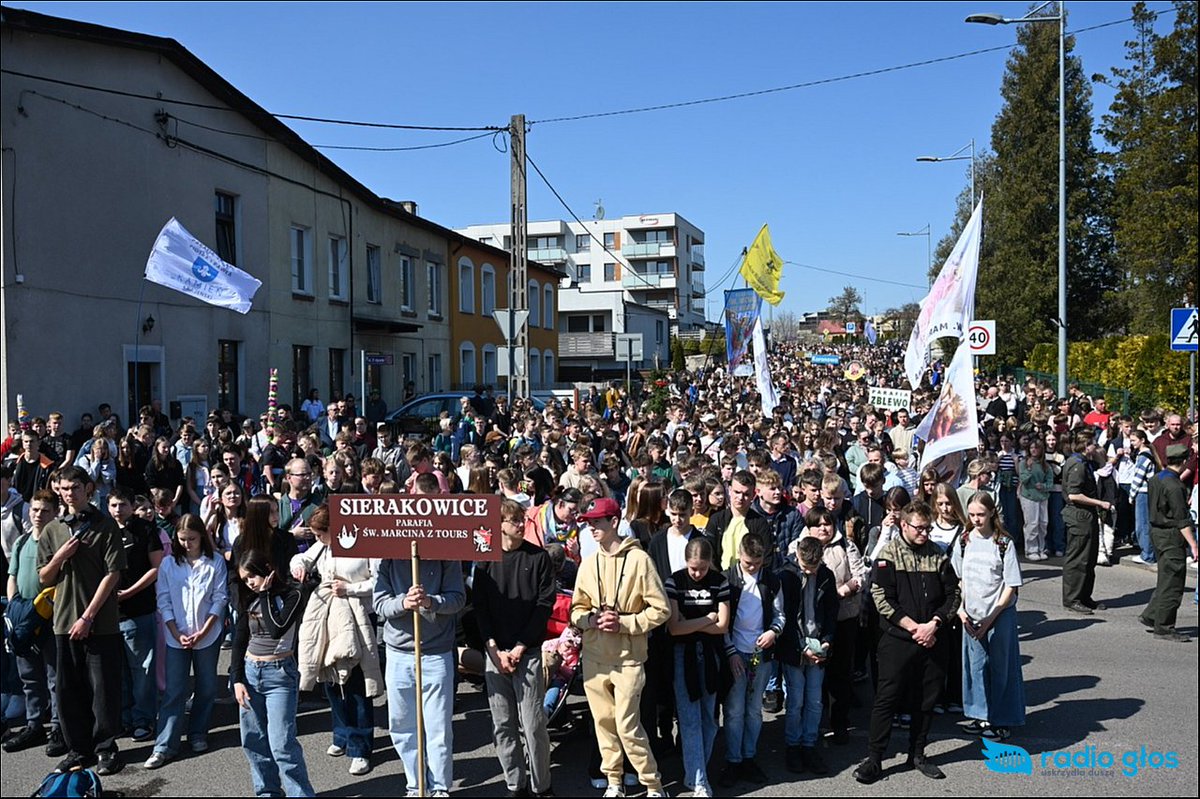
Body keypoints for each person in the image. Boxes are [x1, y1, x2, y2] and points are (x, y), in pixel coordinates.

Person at [570, 497, 670, 798]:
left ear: (614, 523)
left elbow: (661, 610)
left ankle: (653, 784)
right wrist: (589, 619)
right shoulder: (588, 564)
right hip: (594, 658)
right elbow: (575, 610)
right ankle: (614, 781)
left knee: (628, 726)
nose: (592, 528)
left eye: (597, 522)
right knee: (603, 725)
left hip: (628, 658)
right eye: (589, 523)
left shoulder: (640, 560)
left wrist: (625, 623)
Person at [854, 501, 960, 785]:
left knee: (926, 699)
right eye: (919, 528)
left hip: (933, 638)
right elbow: (882, 599)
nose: (925, 533)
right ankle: (875, 759)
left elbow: (953, 594)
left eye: (928, 528)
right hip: (898, 639)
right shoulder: (888, 555)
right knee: (887, 699)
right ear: (904, 526)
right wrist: (915, 628)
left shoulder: (938, 555)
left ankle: (917, 753)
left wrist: (933, 624)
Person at [36, 466, 127, 775]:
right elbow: (44, 576)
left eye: (75, 487)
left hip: (99, 622)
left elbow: (112, 574)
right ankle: (79, 749)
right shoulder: (52, 529)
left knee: (103, 689)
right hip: (63, 621)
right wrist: (60, 555)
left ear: (88, 488)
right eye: (64, 488)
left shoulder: (105, 525)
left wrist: (88, 616)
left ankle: (105, 748)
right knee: (68, 689)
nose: (69, 493)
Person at [474, 499, 556, 798]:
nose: (520, 524)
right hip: (495, 653)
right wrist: (494, 649)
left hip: (529, 652)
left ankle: (542, 785)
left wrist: (520, 647)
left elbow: (543, 605)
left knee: (533, 724)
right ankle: (515, 783)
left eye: (522, 519)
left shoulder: (538, 558)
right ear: (499, 526)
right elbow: (480, 609)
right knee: (503, 724)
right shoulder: (485, 561)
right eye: (513, 520)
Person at [290, 506, 381, 776]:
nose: (317, 539)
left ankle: (360, 746)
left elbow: (379, 581)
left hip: (359, 615)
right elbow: (300, 558)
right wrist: (298, 567)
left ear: (334, 529)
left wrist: (350, 588)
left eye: (320, 534)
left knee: (354, 683)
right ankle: (341, 733)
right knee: (330, 676)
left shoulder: (366, 544)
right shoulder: (322, 547)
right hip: (329, 614)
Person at [374, 533, 466, 797]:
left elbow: (458, 599)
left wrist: (430, 602)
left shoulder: (446, 555)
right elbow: (379, 603)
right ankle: (416, 786)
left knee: (438, 728)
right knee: (402, 726)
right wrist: (403, 602)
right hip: (399, 653)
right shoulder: (387, 558)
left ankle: (438, 788)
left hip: (436, 653)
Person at [144, 514, 228, 768]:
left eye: (192, 538)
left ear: (202, 535)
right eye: (182, 539)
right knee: (174, 690)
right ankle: (165, 745)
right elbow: (164, 599)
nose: (187, 543)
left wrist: (204, 630)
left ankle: (198, 732)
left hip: (207, 634)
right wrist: (174, 629)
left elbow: (220, 598)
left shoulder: (215, 562)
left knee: (207, 685)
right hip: (175, 635)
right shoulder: (169, 564)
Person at [230, 549, 315, 797]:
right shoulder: (250, 597)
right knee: (254, 740)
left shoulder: (293, 593)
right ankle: (267, 791)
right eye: (245, 580)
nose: (250, 584)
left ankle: (300, 794)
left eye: (252, 578)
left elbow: (277, 628)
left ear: (267, 569)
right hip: (250, 671)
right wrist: (236, 679)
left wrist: (266, 593)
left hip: (280, 673)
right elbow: (240, 639)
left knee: (282, 744)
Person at [952, 493, 1024, 741]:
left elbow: (1011, 586)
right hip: (970, 615)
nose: (976, 519)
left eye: (980, 514)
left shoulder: (1004, 543)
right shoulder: (963, 540)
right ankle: (980, 715)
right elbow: (957, 580)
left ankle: (1002, 719)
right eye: (972, 515)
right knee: (974, 668)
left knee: (1001, 668)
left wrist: (991, 618)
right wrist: (961, 612)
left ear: (992, 513)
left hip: (999, 615)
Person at [3, 488, 67, 757]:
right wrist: (16, 606)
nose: (39, 515)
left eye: (45, 511)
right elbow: (12, 575)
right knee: (29, 677)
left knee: (54, 676)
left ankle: (57, 727)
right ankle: (34, 724)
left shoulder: (58, 543)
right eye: (35, 509)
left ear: (55, 514)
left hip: (51, 620)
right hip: (25, 619)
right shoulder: (21, 542)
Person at [717, 531, 782, 789]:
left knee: (754, 710)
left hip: (760, 655)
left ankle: (748, 757)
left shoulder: (771, 581)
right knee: (733, 710)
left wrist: (772, 632)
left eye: (757, 563)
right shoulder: (727, 580)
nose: (752, 568)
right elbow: (720, 623)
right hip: (736, 652)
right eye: (747, 563)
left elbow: (780, 615)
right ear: (739, 557)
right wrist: (730, 651)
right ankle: (733, 760)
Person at [798, 506, 866, 746]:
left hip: (843, 617)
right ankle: (815, 725)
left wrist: (845, 590)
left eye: (828, 523)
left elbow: (861, 574)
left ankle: (840, 723)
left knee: (840, 674)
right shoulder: (799, 546)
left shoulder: (846, 545)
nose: (824, 528)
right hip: (811, 624)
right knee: (815, 675)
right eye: (818, 524)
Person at [109, 486, 163, 743]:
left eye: (122, 505)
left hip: (139, 610)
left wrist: (129, 591)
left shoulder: (145, 530)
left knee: (142, 670)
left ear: (132, 506)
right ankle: (124, 719)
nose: (118, 510)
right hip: (109, 614)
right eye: (113, 505)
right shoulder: (104, 531)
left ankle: (143, 719)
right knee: (118, 672)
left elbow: (157, 568)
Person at [1139, 445, 1198, 642]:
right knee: (1173, 582)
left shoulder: (1158, 478)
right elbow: (1182, 519)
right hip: (1171, 535)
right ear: (1183, 461)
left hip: (1157, 532)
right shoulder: (1175, 486)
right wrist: (1194, 545)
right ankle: (1164, 627)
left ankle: (1152, 615)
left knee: (1165, 577)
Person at [1061, 429, 1111, 615]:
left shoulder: (1085, 462)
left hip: (1087, 517)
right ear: (1086, 446)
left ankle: (1084, 596)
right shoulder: (1077, 465)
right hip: (1078, 517)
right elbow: (1074, 494)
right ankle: (1072, 599)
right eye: (1093, 444)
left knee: (1089, 560)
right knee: (1078, 560)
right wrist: (1100, 503)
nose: (1096, 447)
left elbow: (1103, 464)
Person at [1017, 439, 1052, 560]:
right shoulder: (1024, 463)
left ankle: (1041, 548)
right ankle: (1031, 550)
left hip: (1042, 496)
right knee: (1032, 524)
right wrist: (1030, 468)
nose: (1034, 450)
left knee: (1043, 523)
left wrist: (1044, 486)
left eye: (1036, 448)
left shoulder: (1045, 465)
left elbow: (1050, 482)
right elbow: (1023, 479)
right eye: (1031, 448)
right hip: (1028, 496)